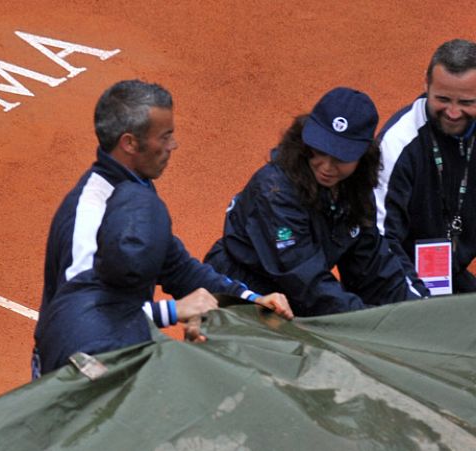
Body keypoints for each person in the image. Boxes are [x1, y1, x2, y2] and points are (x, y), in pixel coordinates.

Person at [33, 80, 293, 377]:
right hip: (75, 370)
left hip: (120, 348)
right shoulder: (90, 218)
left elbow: (179, 268)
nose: (173, 145)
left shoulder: (135, 192)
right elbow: (79, 318)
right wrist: (172, 311)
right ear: (130, 143)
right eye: (165, 136)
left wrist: (249, 301)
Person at [204, 87, 428, 317]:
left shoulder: (355, 189)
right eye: (320, 150)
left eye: (341, 157)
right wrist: (365, 319)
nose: (326, 167)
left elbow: (372, 268)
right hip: (238, 292)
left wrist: (418, 311)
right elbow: (304, 280)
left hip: (294, 297)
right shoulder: (274, 192)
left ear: (363, 155)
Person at [37, 182, 183, 374]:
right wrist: (171, 311)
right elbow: (104, 325)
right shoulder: (86, 320)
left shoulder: (85, 284)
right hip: (81, 373)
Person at [376, 38, 476, 293]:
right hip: (392, 280)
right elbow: (380, 241)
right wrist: (421, 303)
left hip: (449, 276)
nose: (453, 113)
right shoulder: (397, 144)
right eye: (443, 99)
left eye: (466, 103)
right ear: (426, 83)